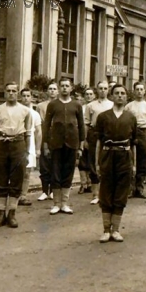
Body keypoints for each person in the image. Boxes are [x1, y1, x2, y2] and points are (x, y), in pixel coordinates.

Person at [95, 84, 137, 242]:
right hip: (107, 155)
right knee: (106, 191)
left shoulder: (131, 117)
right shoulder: (103, 117)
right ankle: (106, 230)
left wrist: (134, 164)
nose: (120, 96)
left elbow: (134, 143)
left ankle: (116, 229)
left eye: (123, 93)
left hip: (124, 156)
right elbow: (98, 142)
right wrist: (98, 163)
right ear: (111, 96)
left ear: (126, 97)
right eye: (117, 93)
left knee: (121, 191)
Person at [0, 82, 32, 228]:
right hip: (2, 143)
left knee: (16, 178)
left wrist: (26, 151)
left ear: (18, 93)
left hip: (18, 144)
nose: (11, 93)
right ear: (5, 92)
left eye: (14, 91)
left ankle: (12, 213)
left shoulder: (26, 111)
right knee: (0, 178)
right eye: (8, 91)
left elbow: (28, 133)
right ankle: (1, 213)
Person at [43, 78, 85, 215]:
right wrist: (45, 144)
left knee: (68, 173)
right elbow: (47, 125)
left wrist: (81, 146)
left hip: (72, 143)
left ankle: (65, 203)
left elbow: (81, 126)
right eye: (62, 86)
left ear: (71, 88)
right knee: (55, 173)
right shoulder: (53, 105)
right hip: (56, 144)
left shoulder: (76, 105)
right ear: (59, 88)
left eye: (67, 86)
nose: (64, 88)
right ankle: (56, 203)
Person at [85, 81, 113, 204]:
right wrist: (85, 139)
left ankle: (106, 193)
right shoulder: (91, 105)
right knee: (93, 162)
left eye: (105, 88)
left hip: (109, 135)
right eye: (100, 88)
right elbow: (86, 123)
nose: (103, 90)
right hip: (94, 134)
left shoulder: (112, 104)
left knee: (107, 162)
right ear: (97, 90)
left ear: (108, 90)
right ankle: (95, 194)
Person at [125, 82, 146, 199]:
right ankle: (131, 188)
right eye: (137, 89)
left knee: (142, 159)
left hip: (144, 131)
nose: (139, 91)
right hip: (131, 131)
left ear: (144, 91)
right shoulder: (129, 106)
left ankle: (139, 188)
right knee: (129, 159)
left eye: (141, 89)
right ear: (134, 91)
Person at [17, 88, 42, 206]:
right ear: (20, 97)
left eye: (28, 96)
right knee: (16, 170)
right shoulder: (17, 111)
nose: (26, 98)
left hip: (30, 143)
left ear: (31, 98)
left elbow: (38, 132)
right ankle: (14, 195)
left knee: (27, 171)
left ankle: (23, 196)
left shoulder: (35, 114)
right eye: (24, 96)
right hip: (18, 142)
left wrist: (37, 148)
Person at [36, 83, 58, 201]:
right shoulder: (40, 106)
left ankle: (53, 190)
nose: (52, 91)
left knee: (56, 164)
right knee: (44, 164)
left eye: (54, 89)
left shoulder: (60, 104)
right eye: (50, 89)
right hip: (45, 134)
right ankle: (44, 190)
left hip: (57, 135)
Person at [77, 88, 95, 194]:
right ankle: (83, 184)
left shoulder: (95, 106)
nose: (88, 96)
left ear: (94, 96)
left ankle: (91, 182)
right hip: (82, 136)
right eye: (87, 94)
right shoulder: (81, 108)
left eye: (90, 94)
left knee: (91, 160)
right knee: (82, 161)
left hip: (92, 136)